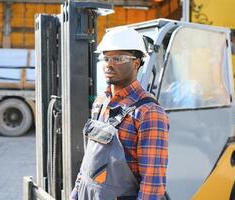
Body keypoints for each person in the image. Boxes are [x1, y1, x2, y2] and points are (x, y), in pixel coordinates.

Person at [70, 27, 169, 200]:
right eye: (106, 58)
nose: (109, 63)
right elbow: (89, 163)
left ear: (136, 63)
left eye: (118, 58)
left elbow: (152, 184)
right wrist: (75, 194)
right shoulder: (100, 102)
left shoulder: (148, 112)